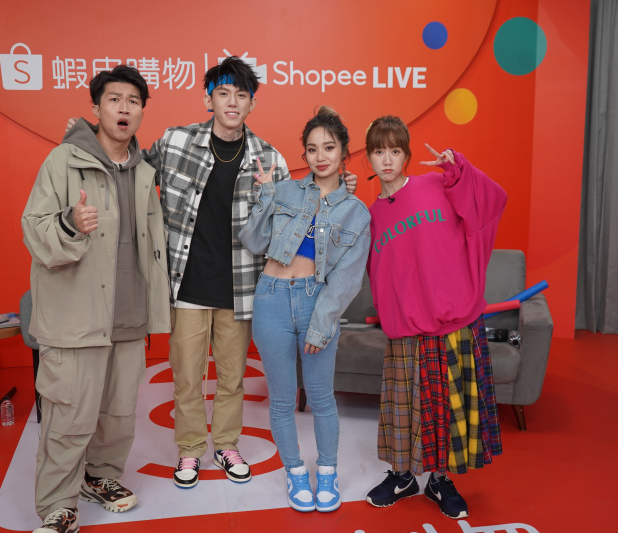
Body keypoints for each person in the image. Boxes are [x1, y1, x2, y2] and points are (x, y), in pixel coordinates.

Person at [67, 57, 356, 489]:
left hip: (242, 287)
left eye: (241, 95)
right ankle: (189, 449)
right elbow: (126, 166)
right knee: (186, 377)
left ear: (252, 103)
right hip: (186, 284)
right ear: (209, 99)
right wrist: (83, 138)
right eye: (223, 93)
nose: (232, 102)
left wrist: (342, 191)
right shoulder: (176, 142)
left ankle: (225, 444)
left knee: (231, 377)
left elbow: (301, 206)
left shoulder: (269, 159)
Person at [22, 65, 171, 533]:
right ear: (96, 108)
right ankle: (58, 505)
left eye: (133, 101)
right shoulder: (63, 161)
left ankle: (99, 477)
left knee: (117, 415)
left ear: (142, 111)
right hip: (77, 319)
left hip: (128, 315)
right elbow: (34, 229)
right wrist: (69, 224)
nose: (124, 108)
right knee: (68, 418)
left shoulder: (145, 170)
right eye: (114, 99)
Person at [362, 116, 506, 519]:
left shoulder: (437, 185)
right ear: (368, 158)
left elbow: (488, 202)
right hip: (407, 328)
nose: (386, 160)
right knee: (403, 408)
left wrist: (458, 169)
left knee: (446, 411)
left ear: (406, 155)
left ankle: (439, 481)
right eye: (378, 151)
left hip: (453, 320)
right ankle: (403, 476)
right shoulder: (371, 216)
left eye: (394, 151)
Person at [240, 107, 371, 513]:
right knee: (281, 400)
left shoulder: (356, 213)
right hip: (271, 298)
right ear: (305, 155)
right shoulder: (284, 191)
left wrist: (321, 324)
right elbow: (253, 242)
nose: (320, 156)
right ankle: (295, 472)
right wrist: (265, 196)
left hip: (317, 300)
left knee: (321, 398)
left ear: (344, 151)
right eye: (312, 149)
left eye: (329, 147)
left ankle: (327, 471)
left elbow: (347, 279)